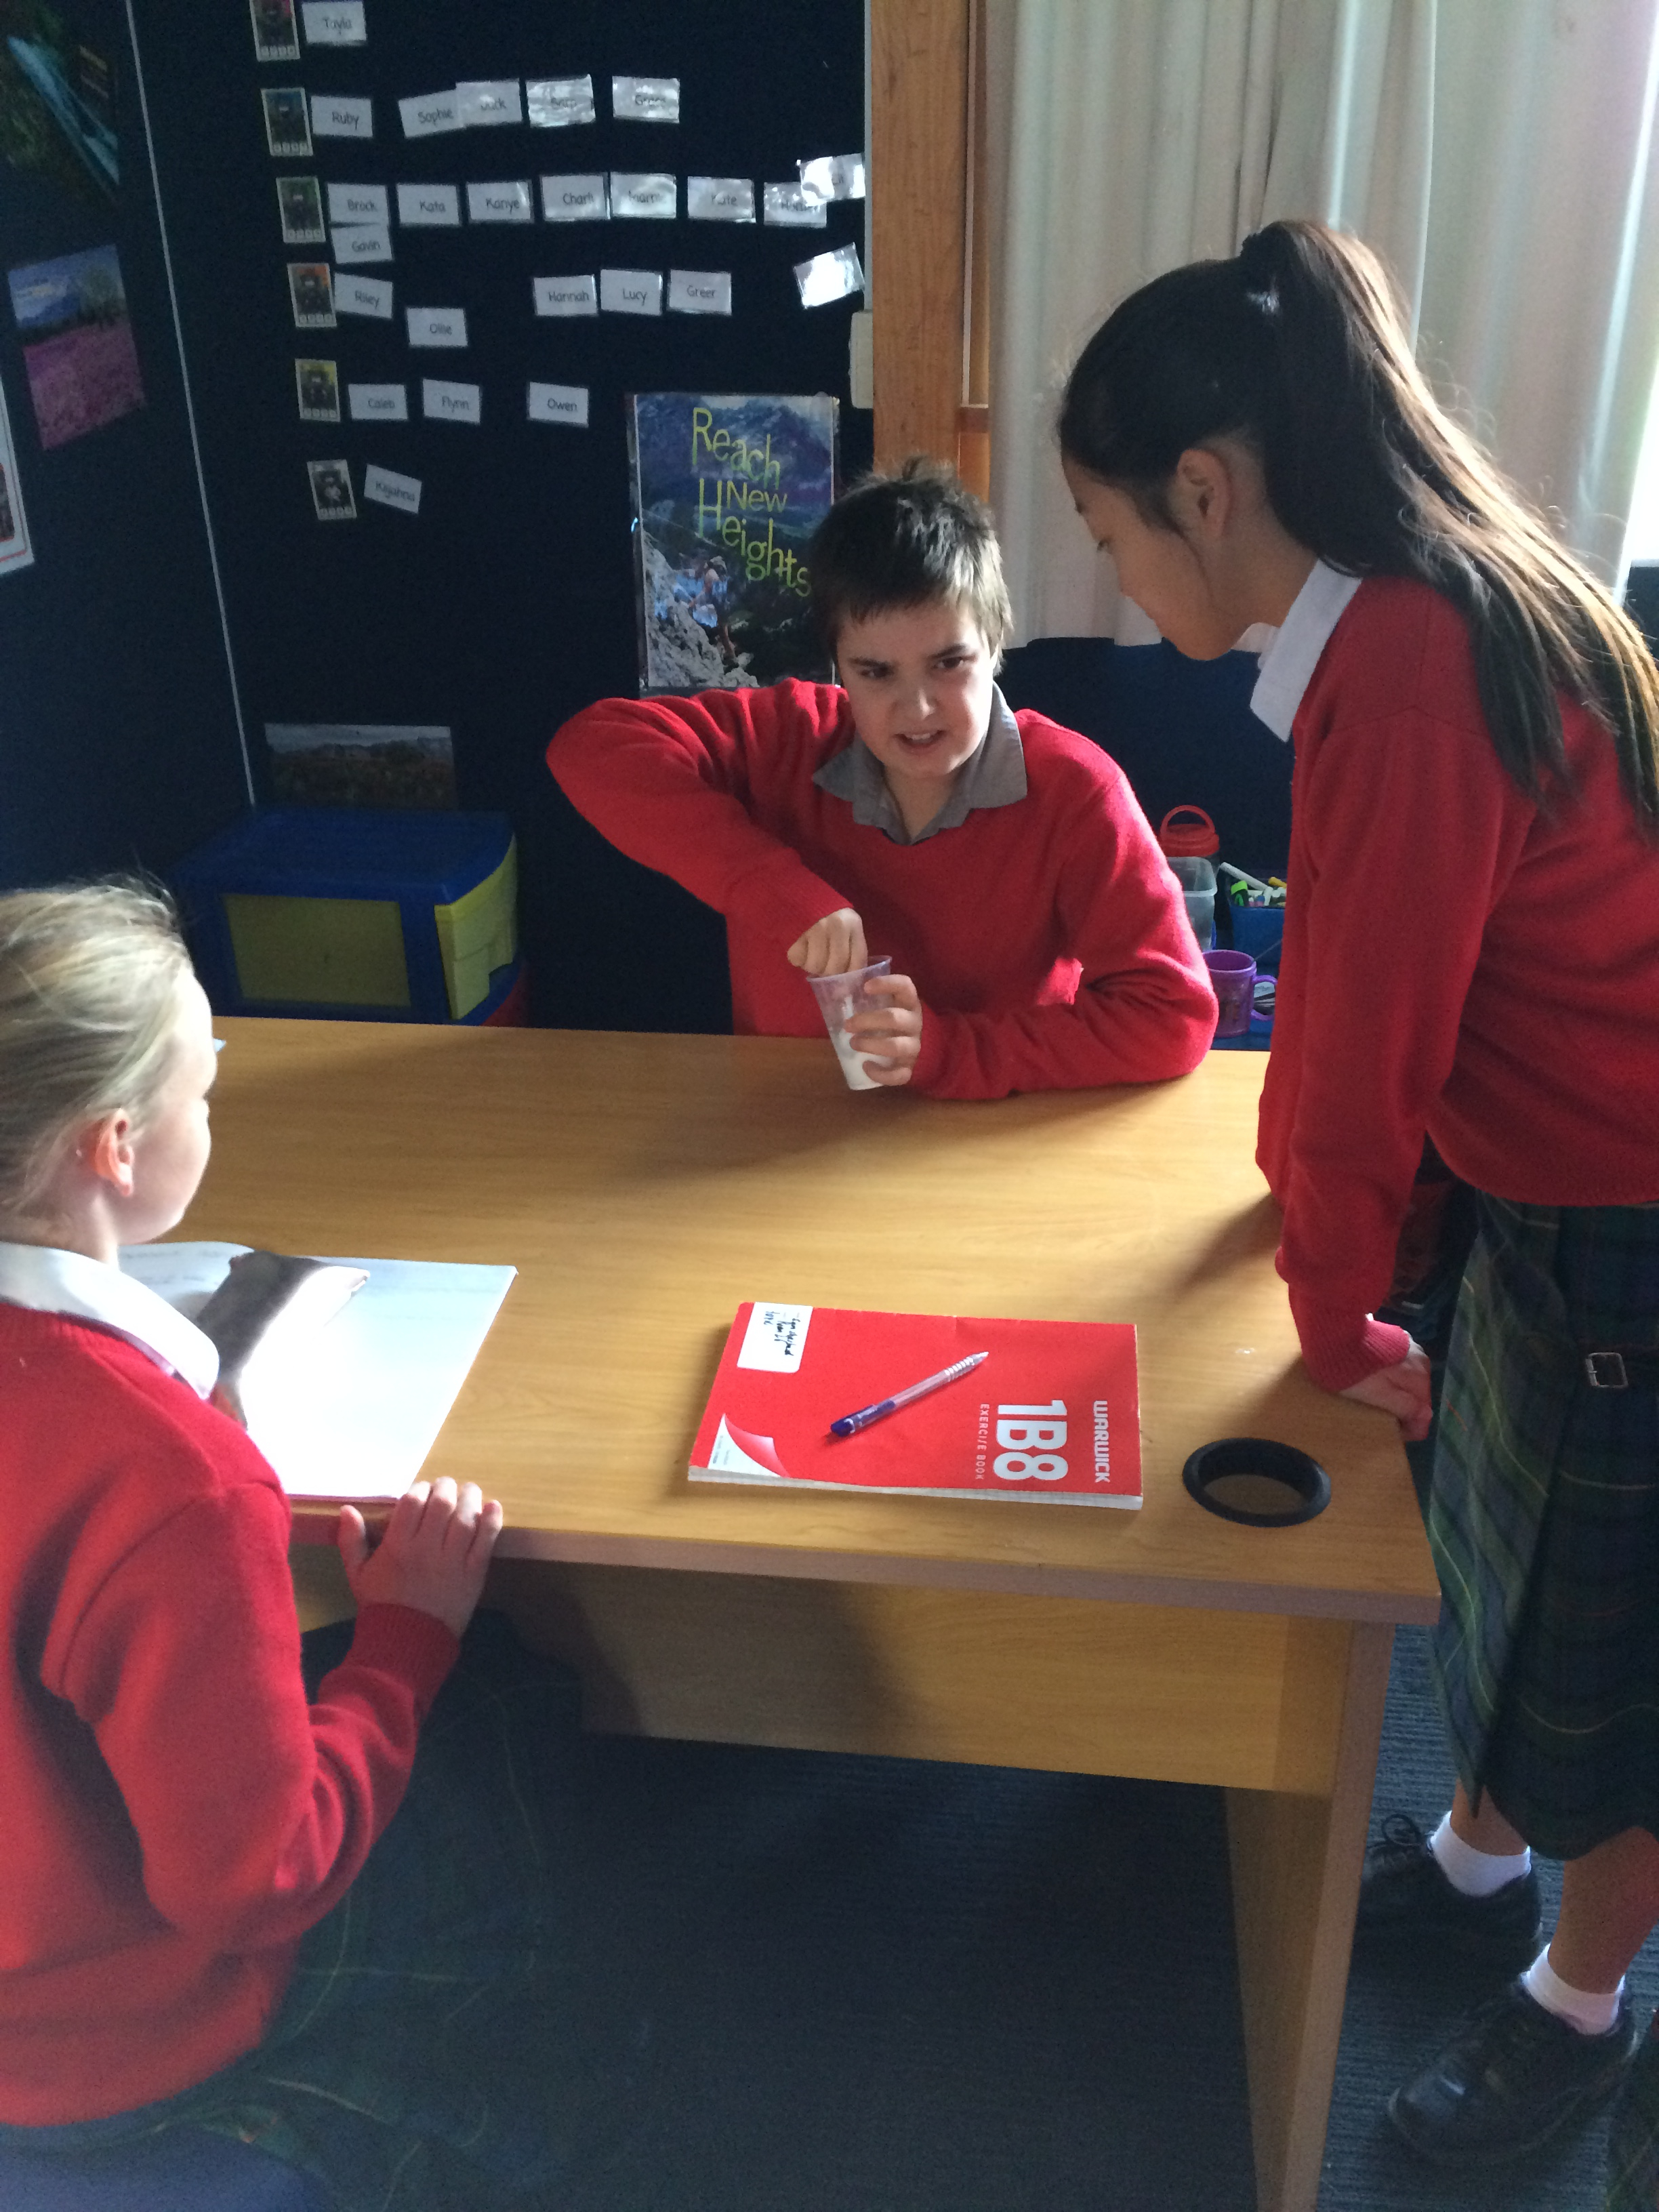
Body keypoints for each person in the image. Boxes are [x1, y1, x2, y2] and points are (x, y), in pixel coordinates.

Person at [1057, 217, 1659, 2180]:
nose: (1112, 575)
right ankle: (1479, 1865)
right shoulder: (1405, 616)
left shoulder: (1407, 664)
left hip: (1624, 1213)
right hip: (1542, 1180)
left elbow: (1363, 1047)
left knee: (1610, 1654)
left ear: (1203, 492)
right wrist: (1304, 1207)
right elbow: (1340, 979)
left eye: (1111, 531)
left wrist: (1323, 1307)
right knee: (1490, 1555)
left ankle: (1578, 2004)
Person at [0, 883, 594, 2210]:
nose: (212, 1114)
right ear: (113, 1145)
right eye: (204, 1091)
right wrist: (406, 1638)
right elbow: (253, 1884)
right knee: (500, 1711)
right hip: (107, 2047)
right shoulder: (167, 1480)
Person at [548, 459, 1216, 1099]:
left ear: (995, 646)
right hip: (781, 1120)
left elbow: (1173, 1016)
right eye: (876, 673)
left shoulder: (1076, 790)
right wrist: (770, 886)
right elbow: (591, 746)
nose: (917, 709)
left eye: (948, 664)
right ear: (837, 668)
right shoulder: (788, 738)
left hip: (991, 1129)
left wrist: (951, 1050)